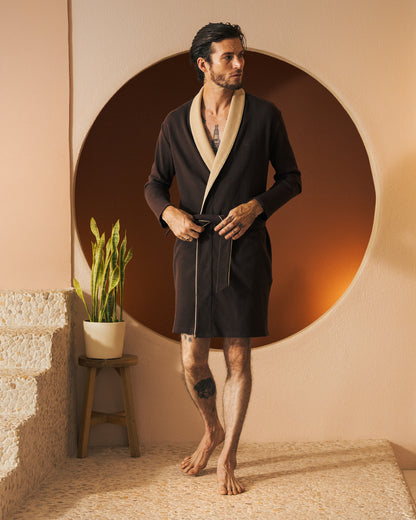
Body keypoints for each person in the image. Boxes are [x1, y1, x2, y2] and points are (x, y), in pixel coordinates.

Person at [144, 22, 301, 495]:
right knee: (191, 360)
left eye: (240, 55)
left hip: (244, 247)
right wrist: (168, 212)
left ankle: (229, 454)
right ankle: (211, 427)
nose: (239, 64)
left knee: (237, 356)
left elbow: (291, 178)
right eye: (229, 57)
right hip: (193, 246)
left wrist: (258, 207)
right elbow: (154, 183)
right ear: (204, 64)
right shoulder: (174, 122)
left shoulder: (265, 115)